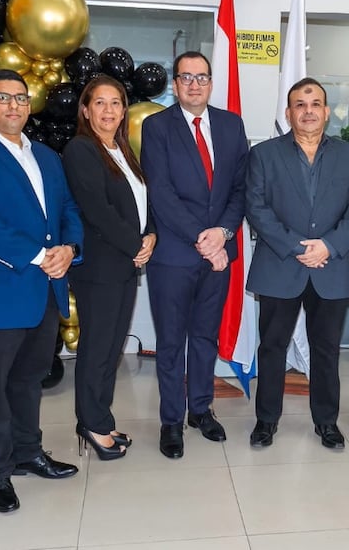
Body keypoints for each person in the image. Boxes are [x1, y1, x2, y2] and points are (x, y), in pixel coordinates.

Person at [0, 69, 83, 513]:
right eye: (3, 98)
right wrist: (38, 255)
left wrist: (70, 247)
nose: (13, 106)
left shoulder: (47, 155)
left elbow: (66, 208)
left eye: (21, 99)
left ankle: (28, 453)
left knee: (29, 381)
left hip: (43, 291)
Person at [245, 77, 349, 449]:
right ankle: (266, 421)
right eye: (300, 104)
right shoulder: (264, 155)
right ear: (289, 113)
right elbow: (257, 207)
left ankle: (326, 422)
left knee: (326, 351)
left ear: (327, 112)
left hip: (331, 268)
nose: (308, 110)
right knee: (272, 347)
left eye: (315, 103)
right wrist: (298, 247)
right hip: (281, 265)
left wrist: (328, 246)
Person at [141, 51, 248, 459]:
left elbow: (240, 188)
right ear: (174, 83)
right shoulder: (156, 127)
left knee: (204, 336)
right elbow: (161, 194)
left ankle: (200, 409)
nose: (194, 84)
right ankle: (171, 419)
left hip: (217, 252)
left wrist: (221, 234)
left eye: (201, 77)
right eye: (186, 77)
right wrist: (204, 240)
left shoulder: (231, 125)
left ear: (211, 82)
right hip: (173, 254)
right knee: (171, 342)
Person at [62, 75, 157, 460]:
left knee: (112, 348)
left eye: (116, 103)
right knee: (97, 348)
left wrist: (150, 234)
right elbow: (97, 210)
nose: (108, 110)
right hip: (100, 269)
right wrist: (136, 245)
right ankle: (90, 422)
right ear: (86, 110)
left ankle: (100, 418)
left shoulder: (120, 150)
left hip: (124, 265)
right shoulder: (81, 150)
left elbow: (140, 202)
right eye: (99, 103)